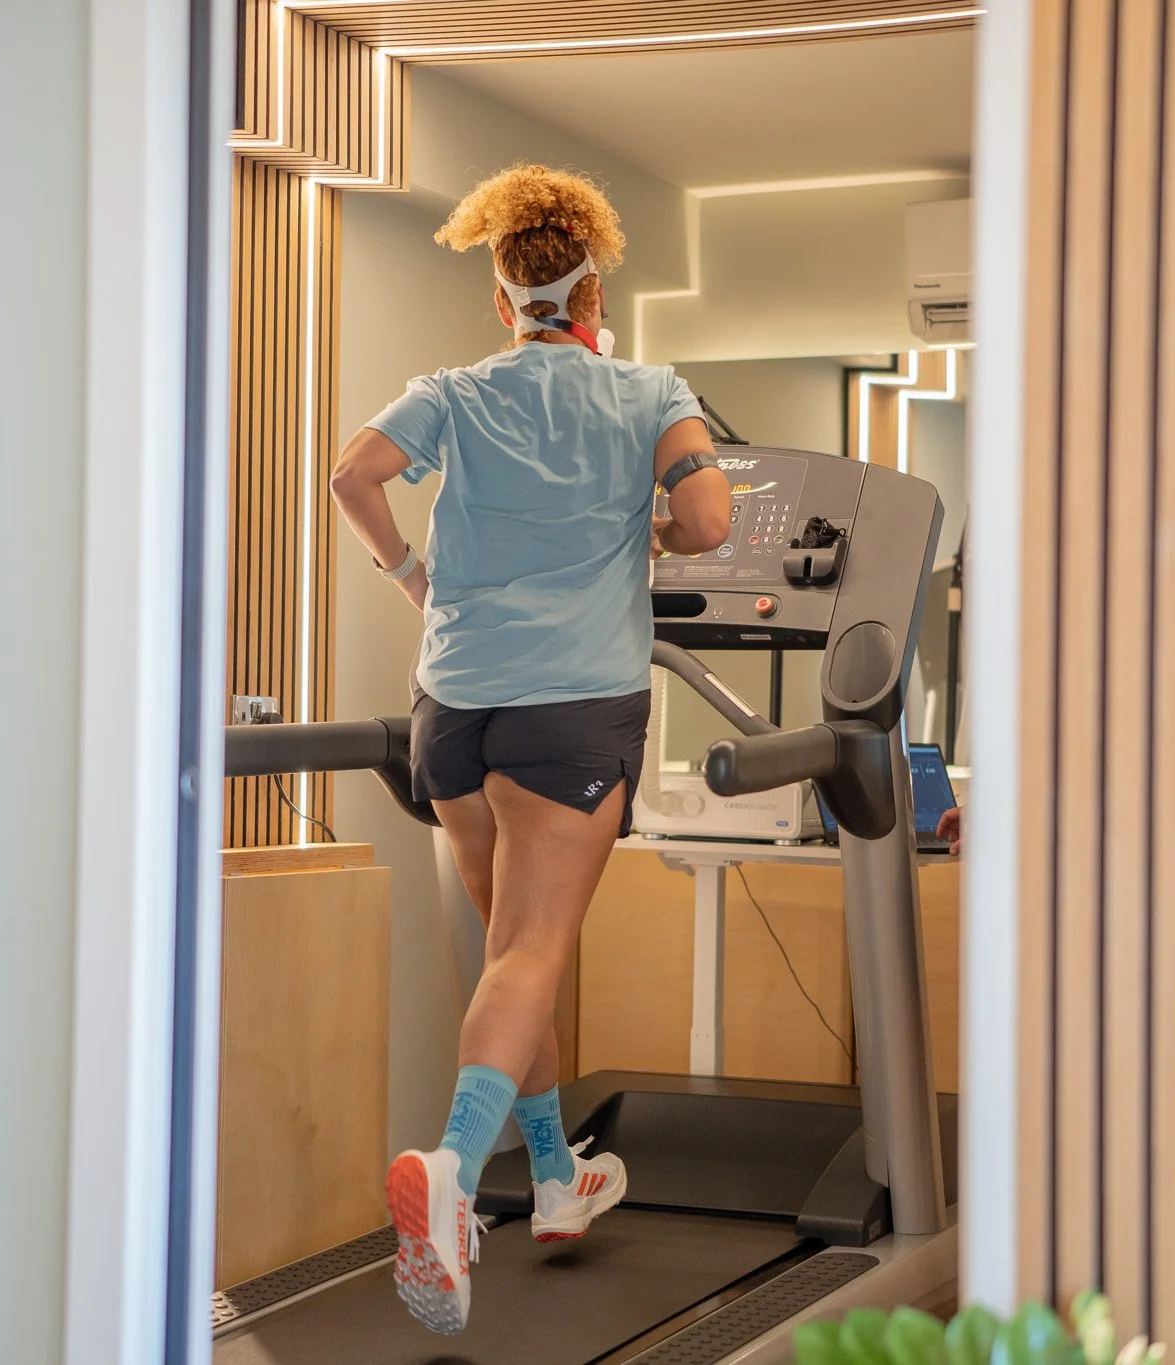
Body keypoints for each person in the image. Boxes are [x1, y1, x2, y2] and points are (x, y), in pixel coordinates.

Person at [328, 164, 732, 1335]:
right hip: (572, 711)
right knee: (532, 953)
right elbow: (705, 522)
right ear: (590, 290)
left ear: (505, 301)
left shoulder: (450, 389)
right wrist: (648, 524)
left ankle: (555, 1183)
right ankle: (452, 1177)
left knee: (512, 949)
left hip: (452, 709)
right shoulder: (645, 389)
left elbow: (351, 475)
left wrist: (408, 574)